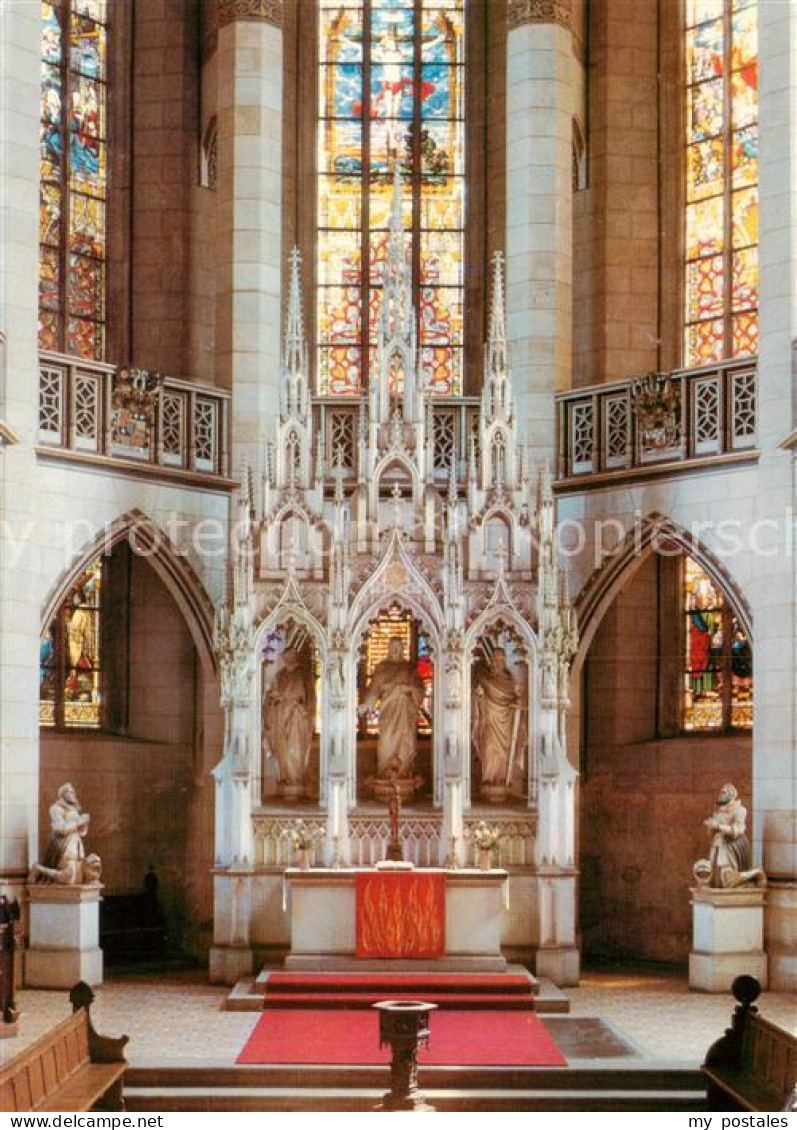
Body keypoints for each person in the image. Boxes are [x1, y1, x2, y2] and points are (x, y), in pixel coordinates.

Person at [359, 637, 425, 779]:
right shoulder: (382, 667)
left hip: (405, 713)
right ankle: (385, 775)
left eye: (398, 646)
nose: (395, 649)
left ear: (403, 649)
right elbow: (374, 689)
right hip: (388, 711)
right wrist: (367, 704)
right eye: (393, 646)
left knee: (405, 745)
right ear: (388, 648)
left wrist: (406, 688)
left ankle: (404, 775)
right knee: (386, 742)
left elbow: (419, 688)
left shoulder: (409, 668)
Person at [263, 649, 315, 795]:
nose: (287, 659)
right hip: (280, 718)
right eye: (285, 657)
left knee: (296, 750)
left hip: (297, 719)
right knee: (283, 751)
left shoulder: (303, 675)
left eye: (290, 657)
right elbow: (270, 697)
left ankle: (296, 779)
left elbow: (308, 698)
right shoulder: (279, 675)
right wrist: (272, 698)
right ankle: (285, 777)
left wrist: (297, 705)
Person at [29, 783, 99, 885]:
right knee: (69, 875)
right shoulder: (56, 808)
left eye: (73, 792)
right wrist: (78, 821)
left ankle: (40, 869)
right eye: (70, 792)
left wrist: (84, 824)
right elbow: (59, 828)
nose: (73, 794)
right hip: (63, 843)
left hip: (75, 841)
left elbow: (81, 832)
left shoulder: (73, 809)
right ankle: (38, 869)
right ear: (63, 794)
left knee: (76, 872)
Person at [472, 648, 523, 787]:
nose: (498, 662)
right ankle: (487, 778)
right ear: (491, 661)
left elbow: (515, 698)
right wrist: (479, 695)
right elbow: (478, 697)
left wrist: (516, 703)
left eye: (501, 660)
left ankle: (501, 779)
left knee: (503, 753)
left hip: (505, 723)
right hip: (489, 719)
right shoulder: (485, 679)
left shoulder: (509, 680)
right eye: (496, 659)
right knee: (489, 748)